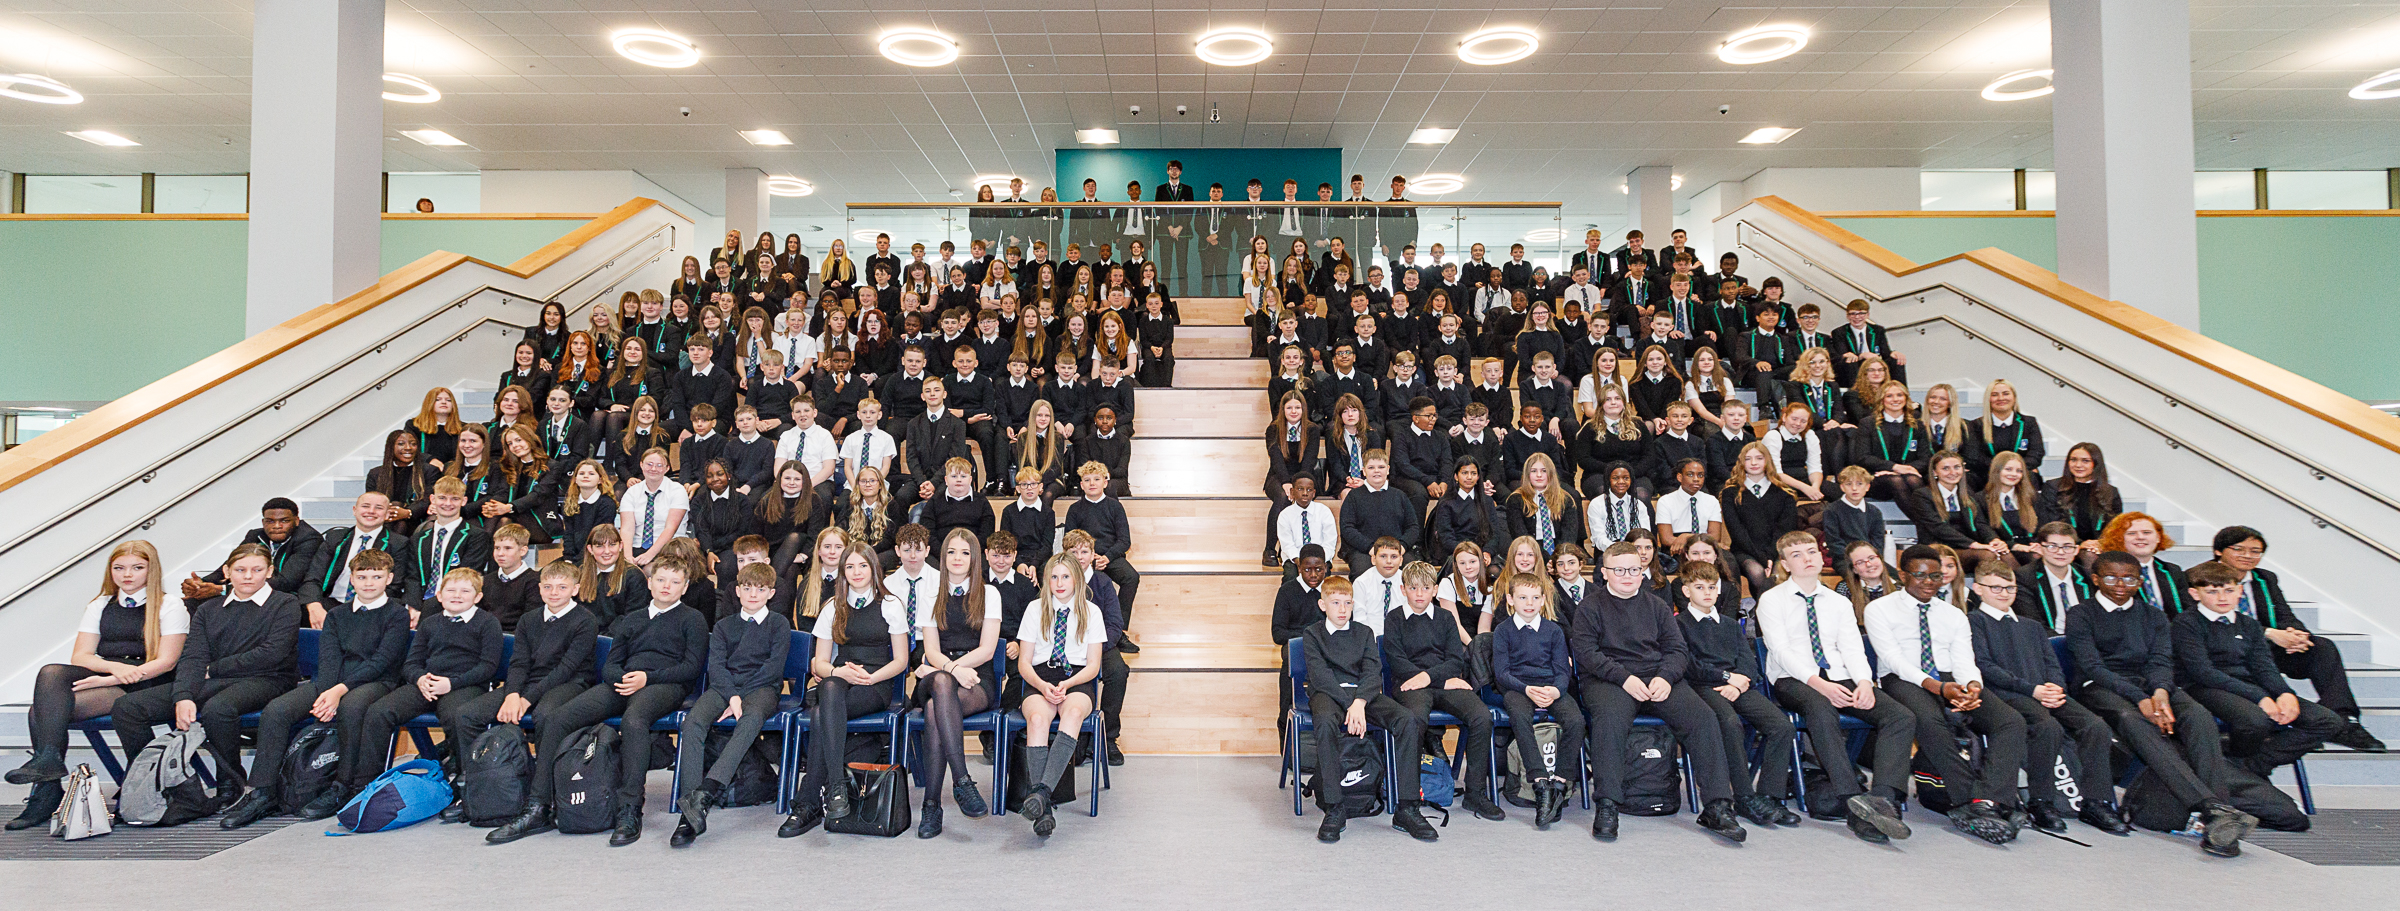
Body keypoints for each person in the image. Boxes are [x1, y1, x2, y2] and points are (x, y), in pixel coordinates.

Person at [491, 558, 707, 847]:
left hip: (666, 685)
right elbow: (611, 665)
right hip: (622, 681)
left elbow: (691, 667)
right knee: (558, 718)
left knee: (634, 720)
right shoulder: (632, 619)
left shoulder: (692, 619)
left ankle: (629, 808)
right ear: (649, 582)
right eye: (660, 580)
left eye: (674, 582)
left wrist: (647, 678)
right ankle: (539, 805)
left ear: (685, 587)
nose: (666, 586)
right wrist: (624, 677)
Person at [2067, 550, 2256, 857]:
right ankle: (2209, 809)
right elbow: (2093, 668)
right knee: (2132, 719)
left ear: (2140, 581)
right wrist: (2141, 699)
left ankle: (2220, 819)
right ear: (2096, 579)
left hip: (2150, 684)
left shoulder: (2153, 615)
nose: (2120, 584)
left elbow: (2160, 659)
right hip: (2101, 687)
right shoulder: (2081, 614)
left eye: (2129, 578)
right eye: (2112, 577)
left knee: (2197, 714)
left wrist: (2159, 692)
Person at [218, 548, 406, 828]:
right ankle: (263, 790)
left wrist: (338, 691)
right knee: (278, 710)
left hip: (375, 681)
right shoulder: (337, 615)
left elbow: (381, 662)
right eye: (362, 576)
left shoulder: (397, 614)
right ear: (351, 579)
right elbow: (328, 657)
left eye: (376, 576)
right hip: (332, 681)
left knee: (352, 708)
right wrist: (328, 690)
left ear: (389, 578)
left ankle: (342, 787)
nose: (369, 583)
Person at [1571, 543, 1748, 842]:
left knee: (1704, 718)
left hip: (1658, 679)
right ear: (1604, 573)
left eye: (1634, 569)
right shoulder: (1589, 607)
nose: (1627, 575)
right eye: (1619, 570)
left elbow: (1677, 650)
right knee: (1610, 720)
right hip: (1610, 680)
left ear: (1642, 571)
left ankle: (1717, 806)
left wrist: (1666, 677)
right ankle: (1608, 804)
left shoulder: (1657, 606)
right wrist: (1624, 678)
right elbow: (1587, 653)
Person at [6, 541, 187, 830]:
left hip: (148, 682)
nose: (127, 575)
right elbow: (81, 656)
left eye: (137, 568)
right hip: (112, 675)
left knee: (38, 713)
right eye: (119, 568)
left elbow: (166, 662)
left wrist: (116, 677)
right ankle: (49, 767)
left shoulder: (170, 604)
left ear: (151, 570)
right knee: (51, 674)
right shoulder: (100, 604)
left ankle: (48, 785)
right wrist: (113, 668)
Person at [111, 544, 305, 804]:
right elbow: (193, 657)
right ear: (226, 572)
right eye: (240, 569)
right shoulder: (208, 609)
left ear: (269, 571)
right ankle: (153, 780)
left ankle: (230, 781)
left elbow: (272, 653)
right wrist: (183, 696)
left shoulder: (286, 603)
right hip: (215, 680)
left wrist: (214, 669)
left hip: (268, 679)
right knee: (128, 707)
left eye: (256, 570)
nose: (248, 576)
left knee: (218, 708)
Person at [1753, 531, 1914, 843]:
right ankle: (1852, 800)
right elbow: (1781, 650)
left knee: (1900, 716)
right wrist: (1818, 683)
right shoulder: (1771, 600)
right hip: (1794, 679)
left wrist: (1866, 683)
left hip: (1841, 675)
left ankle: (1880, 800)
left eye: (1811, 551)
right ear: (1785, 564)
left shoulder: (1838, 602)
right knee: (1820, 708)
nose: (1807, 558)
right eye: (1797, 554)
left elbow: (1852, 648)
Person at [1863, 546, 2027, 843]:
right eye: (1920, 575)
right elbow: (1893, 658)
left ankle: (1988, 800)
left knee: (2010, 721)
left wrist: (1973, 687)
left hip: (1952, 678)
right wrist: (1936, 687)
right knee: (1928, 720)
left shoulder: (1953, 614)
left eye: (1936, 576)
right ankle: (1967, 799)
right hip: (1904, 678)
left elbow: (1964, 658)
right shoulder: (1880, 609)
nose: (1929, 582)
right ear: (1902, 575)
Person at [1964, 559, 2133, 835]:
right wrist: (2034, 690)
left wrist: (2055, 688)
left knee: (2095, 726)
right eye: (1996, 588)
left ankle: (2096, 801)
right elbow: (1984, 666)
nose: (2004, 593)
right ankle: (2042, 801)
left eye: (2010, 588)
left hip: (2046, 693)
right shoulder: (1974, 621)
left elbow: (2051, 662)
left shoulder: (2031, 626)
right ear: (1979, 589)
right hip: (2008, 694)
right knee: (2047, 727)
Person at [2211, 526, 2385, 751]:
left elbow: (2283, 613)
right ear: (2218, 551)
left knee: (2321, 647)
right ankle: (2313, 726)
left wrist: (2297, 635)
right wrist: (2270, 633)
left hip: (2268, 649)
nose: (2248, 556)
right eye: (2239, 549)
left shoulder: (2265, 579)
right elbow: (2214, 621)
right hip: (2227, 651)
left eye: (2255, 551)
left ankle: (2344, 721)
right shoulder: (2201, 577)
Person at [453, 561, 598, 831]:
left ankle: (542, 800)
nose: (554, 592)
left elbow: (565, 669)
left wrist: (525, 699)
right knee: (466, 715)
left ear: (575, 589)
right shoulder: (529, 619)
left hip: (570, 682)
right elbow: (519, 663)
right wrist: (512, 694)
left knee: (547, 716)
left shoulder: (585, 620)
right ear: (540, 588)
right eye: (548, 587)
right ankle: (478, 790)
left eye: (562, 587)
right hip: (527, 684)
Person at [348, 567, 504, 818]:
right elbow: (411, 663)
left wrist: (450, 684)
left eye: (465, 591)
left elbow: (488, 667)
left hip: (465, 685)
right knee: (379, 711)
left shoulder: (487, 623)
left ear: (477, 597)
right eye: (451, 590)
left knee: (457, 716)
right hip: (427, 684)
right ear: (439, 595)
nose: (457, 595)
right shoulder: (430, 623)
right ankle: (366, 786)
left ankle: (467, 790)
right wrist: (420, 679)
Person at [779, 544, 911, 837]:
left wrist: (871, 678)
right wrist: (839, 672)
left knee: (819, 717)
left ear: (874, 569)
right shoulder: (832, 606)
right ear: (842, 572)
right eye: (849, 567)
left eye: (862, 566)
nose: (856, 572)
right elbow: (820, 663)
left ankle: (808, 803)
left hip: (876, 684)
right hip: (839, 681)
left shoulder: (890, 604)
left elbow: (902, 661)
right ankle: (835, 785)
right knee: (828, 687)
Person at [2175, 560, 2349, 778]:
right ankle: (2242, 769)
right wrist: (2260, 697)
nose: (2222, 598)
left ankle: (2249, 769)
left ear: (2240, 591)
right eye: (2212, 592)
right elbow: (2204, 672)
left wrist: (2285, 693)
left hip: (2248, 685)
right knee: (2254, 722)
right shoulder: (2185, 624)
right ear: (2194, 593)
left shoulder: (2249, 624)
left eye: (2229, 590)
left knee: (2328, 721)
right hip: (2205, 686)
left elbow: (2264, 666)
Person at [1302, 575, 1439, 843]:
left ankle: (1407, 807)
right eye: (1336, 603)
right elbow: (1320, 676)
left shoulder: (1364, 632)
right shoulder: (1312, 634)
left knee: (1407, 720)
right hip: (1329, 695)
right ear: (1322, 605)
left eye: (1348, 603)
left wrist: (1359, 703)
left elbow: (1372, 672)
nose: (1342, 609)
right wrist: (1349, 704)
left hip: (1362, 697)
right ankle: (1333, 807)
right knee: (1326, 722)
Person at [669, 561, 796, 847]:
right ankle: (690, 812)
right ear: (737, 591)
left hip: (762, 688)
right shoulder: (724, 625)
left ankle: (707, 791)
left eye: (760, 589)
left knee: (749, 720)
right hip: (725, 687)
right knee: (693, 722)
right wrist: (732, 696)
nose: (753, 594)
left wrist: (740, 696)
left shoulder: (779, 623)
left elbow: (773, 669)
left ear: (771, 593)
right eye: (747, 588)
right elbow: (717, 667)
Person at [1674, 561, 1801, 828]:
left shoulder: (1731, 625)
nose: (1707, 593)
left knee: (1781, 726)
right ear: (1687, 591)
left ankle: (1769, 796)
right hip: (1703, 687)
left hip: (1738, 685)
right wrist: (1726, 678)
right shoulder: (1680, 624)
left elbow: (1748, 661)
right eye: (1699, 587)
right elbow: (1688, 665)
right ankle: (1743, 795)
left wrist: (1739, 683)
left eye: (1712, 587)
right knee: (1729, 724)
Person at [1383, 561, 1505, 821]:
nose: (1419, 594)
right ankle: (1410, 799)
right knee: (1413, 720)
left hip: (1440, 682)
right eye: (1413, 588)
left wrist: (1430, 677)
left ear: (1435, 590)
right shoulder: (1394, 618)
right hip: (1410, 685)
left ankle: (1475, 792)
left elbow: (1455, 660)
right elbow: (1397, 661)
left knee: (1482, 717)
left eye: (1425, 588)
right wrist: (1437, 679)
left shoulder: (1445, 617)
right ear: (1403, 589)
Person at [1012, 553, 1117, 838]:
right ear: (1047, 580)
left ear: (1077, 579)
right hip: (1040, 678)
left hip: (1078, 678)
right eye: (1054, 577)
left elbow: (1094, 665)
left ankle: (1041, 794)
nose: (1059, 583)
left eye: (1066, 577)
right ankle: (1043, 808)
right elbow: (1024, 662)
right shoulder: (1035, 609)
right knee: (1036, 720)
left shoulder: (1091, 611)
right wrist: (1042, 685)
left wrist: (1069, 684)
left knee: (1071, 714)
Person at [1489, 573, 1583, 830]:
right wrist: (1527, 688)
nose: (1528, 603)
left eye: (1534, 597)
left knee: (1576, 720)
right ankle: (1540, 782)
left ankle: (1559, 785)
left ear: (1543, 600)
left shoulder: (1553, 630)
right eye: (1522, 597)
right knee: (1520, 718)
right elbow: (1502, 673)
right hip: (1517, 687)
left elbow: (1563, 670)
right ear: (1510, 599)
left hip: (1551, 687)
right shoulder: (1503, 631)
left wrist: (1555, 690)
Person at [179, 497, 324, 607]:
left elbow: (285, 582)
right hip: (249, 590)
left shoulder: (309, 539)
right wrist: (200, 585)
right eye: (270, 521)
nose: (277, 526)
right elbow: (229, 567)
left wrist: (221, 589)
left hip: (287, 598)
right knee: (189, 604)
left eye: (284, 521)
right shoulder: (255, 536)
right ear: (263, 522)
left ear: (297, 521)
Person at [2014, 522, 2094, 633]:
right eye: (2052, 546)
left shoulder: (2087, 576)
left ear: (2076, 550)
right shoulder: (2024, 577)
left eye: (2067, 547)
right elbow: (2032, 623)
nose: (2060, 552)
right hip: (2048, 643)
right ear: (2040, 548)